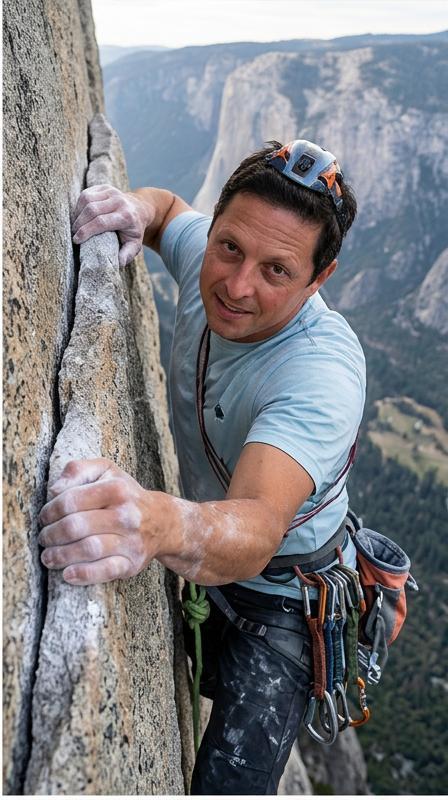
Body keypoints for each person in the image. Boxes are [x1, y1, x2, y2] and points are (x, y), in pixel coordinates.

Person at [39, 140, 366, 794]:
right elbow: (165, 213)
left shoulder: (321, 374)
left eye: (277, 271)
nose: (237, 287)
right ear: (216, 229)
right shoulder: (210, 256)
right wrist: (134, 207)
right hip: (206, 546)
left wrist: (154, 524)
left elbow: (256, 524)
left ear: (318, 279)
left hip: (282, 600)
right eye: (229, 248)